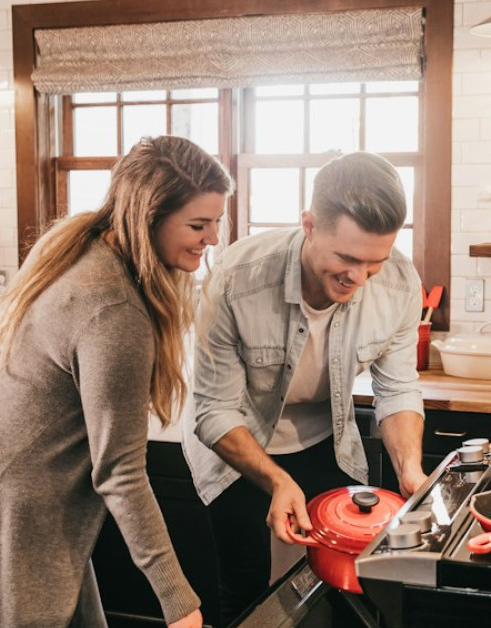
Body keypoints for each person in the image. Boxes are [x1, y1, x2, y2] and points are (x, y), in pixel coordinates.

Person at [0, 136, 233, 628]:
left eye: (216, 222)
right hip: (5, 503)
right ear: (149, 215)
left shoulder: (83, 246)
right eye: (197, 224)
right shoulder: (113, 309)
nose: (211, 238)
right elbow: (120, 472)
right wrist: (179, 603)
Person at [183, 151, 428, 625]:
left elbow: (397, 389)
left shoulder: (399, 283)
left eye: (373, 263)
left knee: (343, 581)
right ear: (309, 224)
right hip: (237, 442)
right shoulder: (237, 279)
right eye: (347, 258)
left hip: (325, 439)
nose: (358, 278)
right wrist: (277, 480)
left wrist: (410, 468)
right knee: (248, 584)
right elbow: (214, 409)